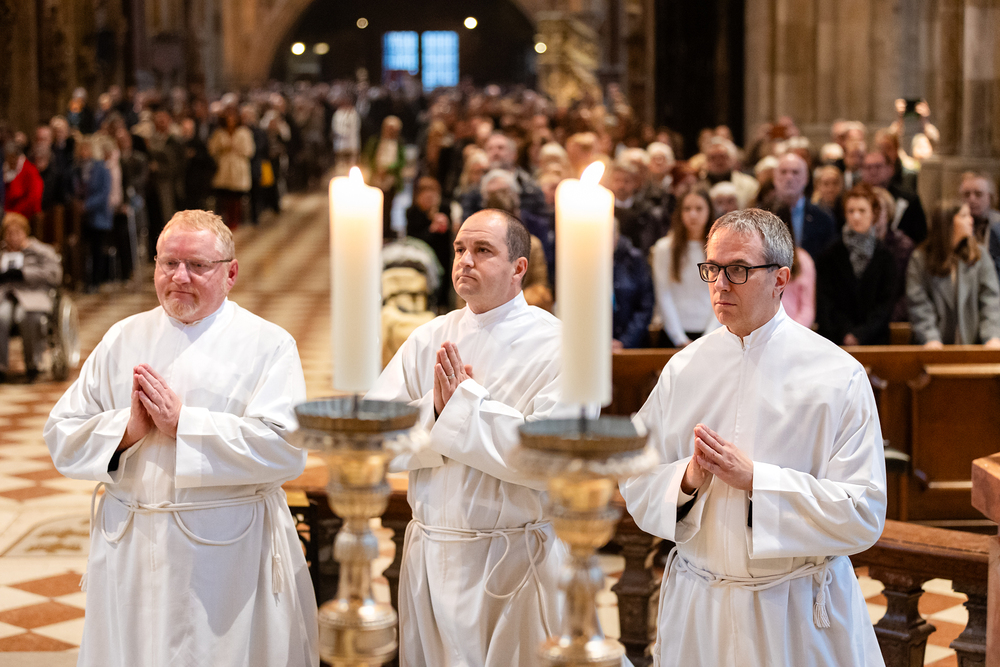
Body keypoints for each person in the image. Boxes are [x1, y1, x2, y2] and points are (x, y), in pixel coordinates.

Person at [44, 210, 318, 666]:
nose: (180, 277)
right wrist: (126, 432)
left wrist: (184, 425)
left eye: (197, 265)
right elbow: (61, 434)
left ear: (231, 273)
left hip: (226, 557)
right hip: (133, 549)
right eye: (168, 263)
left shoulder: (268, 344)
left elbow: (286, 449)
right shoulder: (122, 338)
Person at [620, 207, 886, 666]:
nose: (720, 284)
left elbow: (863, 513)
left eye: (739, 269)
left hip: (794, 613)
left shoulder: (838, 375)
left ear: (781, 278)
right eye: (713, 268)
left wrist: (758, 482)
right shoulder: (684, 368)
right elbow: (635, 476)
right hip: (701, 608)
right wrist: (687, 480)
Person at [365, 209, 572, 667]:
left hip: (515, 562)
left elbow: (551, 456)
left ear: (518, 268)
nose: (465, 260)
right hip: (432, 554)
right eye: (460, 249)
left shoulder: (560, 345)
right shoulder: (427, 338)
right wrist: (436, 411)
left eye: (482, 250)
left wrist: (462, 408)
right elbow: (373, 439)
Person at [906, 204, 1000, 348]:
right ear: (947, 222)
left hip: (973, 343)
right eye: (964, 216)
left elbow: (991, 300)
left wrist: (991, 336)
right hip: (934, 344)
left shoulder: (979, 255)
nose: (970, 220)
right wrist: (930, 338)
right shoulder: (920, 259)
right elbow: (919, 304)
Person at [815, 184, 896, 345]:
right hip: (837, 340)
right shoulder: (830, 254)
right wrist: (846, 333)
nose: (856, 216)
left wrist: (861, 334)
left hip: (875, 341)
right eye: (851, 211)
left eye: (862, 210)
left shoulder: (885, 256)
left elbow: (885, 305)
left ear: (874, 214)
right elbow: (826, 301)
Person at [650, 189, 720, 347]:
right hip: (673, 332)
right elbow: (663, 294)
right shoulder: (665, 248)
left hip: (711, 330)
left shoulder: (719, 248)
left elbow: (721, 293)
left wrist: (709, 335)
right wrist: (679, 338)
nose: (693, 214)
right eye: (687, 209)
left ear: (709, 211)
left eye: (699, 208)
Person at [0, 212, 62, 382]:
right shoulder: (2, 252)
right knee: (1, 316)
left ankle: (33, 364)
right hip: (5, 296)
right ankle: (1, 367)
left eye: (17, 232)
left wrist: (24, 274)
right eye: (9, 233)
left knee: (27, 316)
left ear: (25, 232)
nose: (13, 237)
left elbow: (54, 274)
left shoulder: (40, 250)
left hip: (32, 295)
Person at [767, 153, 837, 259]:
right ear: (774, 178)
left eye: (795, 172)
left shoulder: (823, 217)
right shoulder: (762, 214)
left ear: (806, 178)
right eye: (783, 172)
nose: (789, 177)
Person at [860, 149, 927, 244]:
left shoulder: (909, 199)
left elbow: (920, 236)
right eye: (868, 167)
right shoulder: (854, 198)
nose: (873, 172)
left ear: (890, 169)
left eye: (878, 166)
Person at [208, 107, 255, 229]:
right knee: (225, 196)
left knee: (236, 196)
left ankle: (236, 220)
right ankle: (226, 219)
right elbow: (212, 149)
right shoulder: (219, 132)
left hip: (238, 168)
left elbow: (249, 150)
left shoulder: (244, 132)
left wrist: (236, 148)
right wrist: (223, 148)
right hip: (224, 168)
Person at [613, 218, 655, 349]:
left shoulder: (635, 259)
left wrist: (625, 341)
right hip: (595, 344)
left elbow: (645, 305)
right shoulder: (584, 262)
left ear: (617, 234)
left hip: (632, 344)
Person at [958, 172, 1000, 278]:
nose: (972, 199)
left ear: (990, 197)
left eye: (978, 194)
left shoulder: (998, 224)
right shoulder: (956, 225)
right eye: (966, 194)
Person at [3, 142, 44, 221]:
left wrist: (14, 214)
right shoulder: (8, 170)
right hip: (8, 215)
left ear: (16, 157)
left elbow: (34, 198)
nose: (7, 162)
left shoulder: (30, 171)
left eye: (9, 158)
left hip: (25, 216)